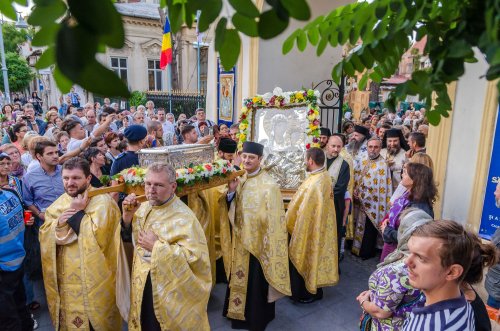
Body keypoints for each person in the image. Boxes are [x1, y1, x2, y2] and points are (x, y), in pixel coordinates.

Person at [121, 163, 211, 330]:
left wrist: (157, 247)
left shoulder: (185, 218)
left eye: (158, 185)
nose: (151, 190)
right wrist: (127, 218)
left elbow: (196, 260)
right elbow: (131, 240)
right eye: (148, 184)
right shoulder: (143, 208)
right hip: (142, 284)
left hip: (168, 291)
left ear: (173, 186)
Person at [40, 157, 122, 330]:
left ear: (88, 178)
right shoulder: (60, 202)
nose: (70, 183)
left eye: (76, 178)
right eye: (66, 178)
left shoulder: (104, 203)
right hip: (65, 281)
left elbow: (100, 239)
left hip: (94, 280)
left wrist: (77, 213)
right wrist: (57, 225)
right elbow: (45, 233)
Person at [222, 141, 291, 330]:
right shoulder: (240, 178)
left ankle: (256, 318)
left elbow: (275, 220)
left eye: (251, 157)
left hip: (259, 244)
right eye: (244, 156)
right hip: (240, 240)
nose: (246, 160)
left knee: (255, 283)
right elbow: (232, 207)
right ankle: (236, 315)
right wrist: (231, 192)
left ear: (260, 159)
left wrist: (263, 239)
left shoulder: (269, 185)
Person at [403, 220, 498, 331]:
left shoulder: (439, 326)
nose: (406, 261)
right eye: (410, 252)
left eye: (421, 258)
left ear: (452, 272)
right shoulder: (459, 300)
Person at [357, 208, 431, 331]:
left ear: (405, 232)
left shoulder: (398, 270)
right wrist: (376, 293)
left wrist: (363, 301)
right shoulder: (430, 260)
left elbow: (381, 312)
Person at [286, 147, 339, 303]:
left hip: (309, 227)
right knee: (312, 256)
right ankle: (311, 290)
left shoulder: (317, 182)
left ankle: (306, 293)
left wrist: (290, 220)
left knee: (305, 254)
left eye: (305, 160)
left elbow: (304, 209)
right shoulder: (323, 176)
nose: (305, 162)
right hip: (318, 225)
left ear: (310, 161)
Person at [380, 163, 436, 261]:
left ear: (415, 179)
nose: (402, 175)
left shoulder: (419, 206)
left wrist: (387, 231)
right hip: (394, 247)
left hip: (403, 255)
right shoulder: (408, 195)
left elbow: (412, 237)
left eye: (405, 173)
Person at [0, 181, 35, 331]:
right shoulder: (11, 194)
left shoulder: (10, 193)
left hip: (3, 271)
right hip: (18, 262)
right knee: (20, 307)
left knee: (8, 320)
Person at [352, 137, 392, 259]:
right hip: (358, 201)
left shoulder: (383, 165)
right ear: (367, 147)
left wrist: (363, 196)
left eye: (376, 147)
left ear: (380, 148)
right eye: (370, 147)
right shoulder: (362, 160)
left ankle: (366, 252)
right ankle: (355, 249)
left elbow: (381, 188)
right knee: (357, 224)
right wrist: (354, 190)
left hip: (373, 204)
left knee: (369, 229)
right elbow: (355, 177)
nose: (373, 149)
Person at [325, 135, 350, 260]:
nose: (335, 149)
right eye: (333, 146)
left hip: (335, 206)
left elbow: (340, 188)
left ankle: (332, 265)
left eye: (338, 147)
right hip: (317, 205)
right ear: (327, 145)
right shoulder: (319, 159)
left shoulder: (344, 165)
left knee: (333, 235)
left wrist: (323, 197)